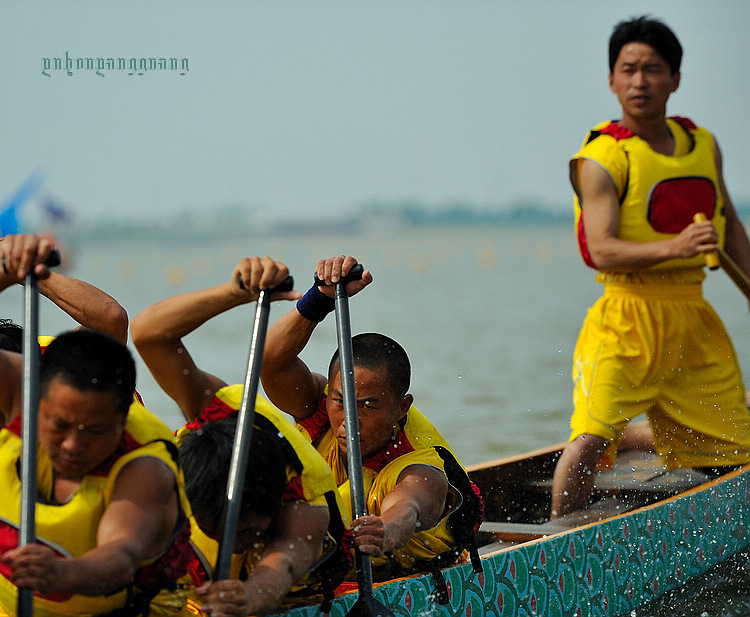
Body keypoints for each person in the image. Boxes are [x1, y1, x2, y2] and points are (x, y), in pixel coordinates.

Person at [551, 16, 750, 518]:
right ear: (613, 80)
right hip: (626, 317)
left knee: (738, 447)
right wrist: (675, 246)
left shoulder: (703, 144)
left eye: (654, 70)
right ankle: (558, 542)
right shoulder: (602, 157)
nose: (640, 81)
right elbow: (601, 249)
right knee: (588, 444)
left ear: (675, 79)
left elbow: (730, 229)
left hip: (693, 317)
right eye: (629, 70)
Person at [131, 256, 351, 616]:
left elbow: (279, 568)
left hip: (306, 585)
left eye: (246, 533)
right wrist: (235, 293)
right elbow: (148, 334)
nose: (233, 543)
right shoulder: (211, 411)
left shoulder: (303, 509)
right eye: (220, 530)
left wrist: (248, 599)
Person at [260, 255, 483, 594]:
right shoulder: (319, 408)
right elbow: (270, 361)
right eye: (340, 401)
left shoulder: (420, 465)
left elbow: (409, 506)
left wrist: (384, 532)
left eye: (368, 405)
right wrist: (318, 298)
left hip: (412, 571)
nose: (349, 419)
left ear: (401, 408)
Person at [0, 329, 195, 616]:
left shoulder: (145, 469)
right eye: (60, 425)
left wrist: (60, 573)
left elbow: (119, 556)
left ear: (123, 419)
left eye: (94, 432)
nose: (72, 446)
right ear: (36, 400)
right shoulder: (20, 390)